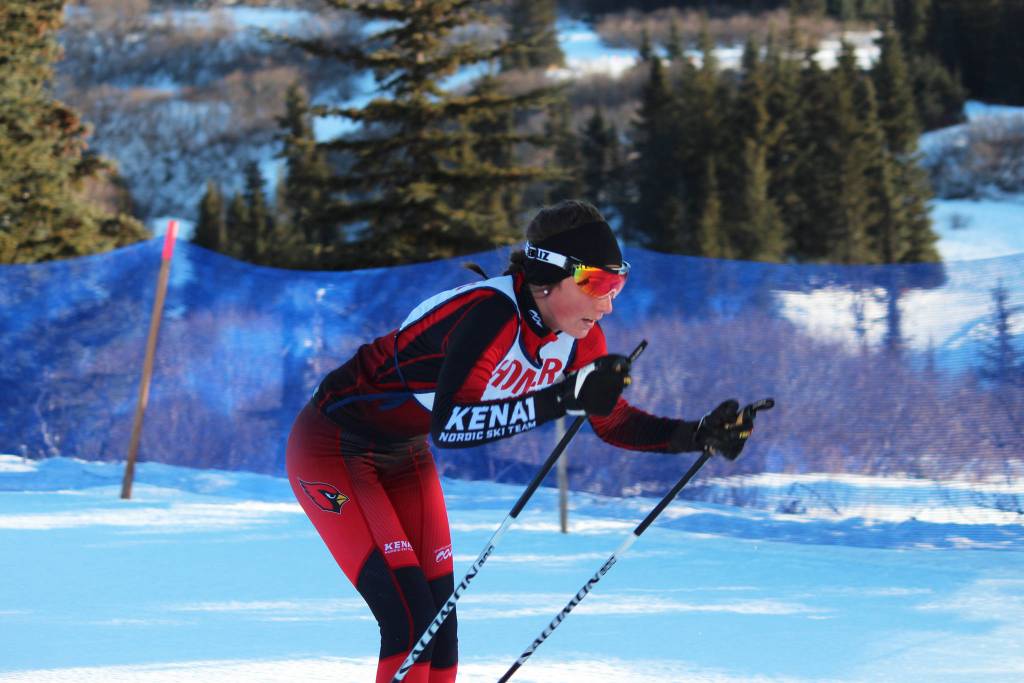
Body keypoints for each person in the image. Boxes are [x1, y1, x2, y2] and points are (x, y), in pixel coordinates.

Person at [285, 199, 763, 683]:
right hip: (334, 447)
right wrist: (560, 399)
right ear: (548, 278)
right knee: (409, 625)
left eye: (617, 284)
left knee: (439, 630)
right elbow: (450, 426)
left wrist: (696, 434)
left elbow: (612, 422)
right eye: (597, 283)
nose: (608, 302)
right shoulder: (491, 315)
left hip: (404, 455)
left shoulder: (580, 336)